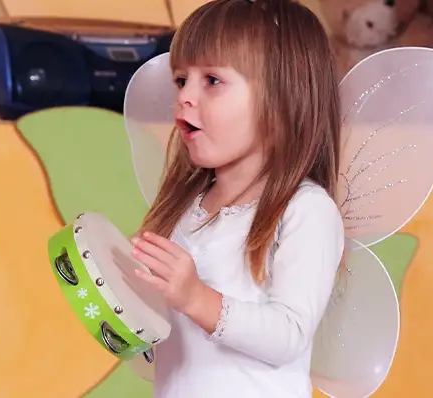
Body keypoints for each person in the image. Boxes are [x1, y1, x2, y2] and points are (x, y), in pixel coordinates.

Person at [129, 0, 345, 396]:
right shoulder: (183, 205)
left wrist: (194, 296)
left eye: (211, 80)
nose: (185, 96)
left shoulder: (305, 210)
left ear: (282, 100)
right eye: (181, 80)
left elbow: (289, 335)